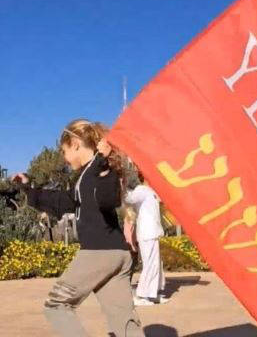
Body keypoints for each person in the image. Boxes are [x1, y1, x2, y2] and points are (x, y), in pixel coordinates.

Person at [11, 119, 143, 337]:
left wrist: (102, 163)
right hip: (117, 253)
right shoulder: (85, 177)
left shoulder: (98, 170)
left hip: (99, 252)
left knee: (56, 305)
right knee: (124, 320)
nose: (63, 158)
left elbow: (108, 198)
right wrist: (28, 188)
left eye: (64, 151)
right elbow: (62, 201)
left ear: (75, 144)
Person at [125, 170, 167, 306]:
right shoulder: (142, 190)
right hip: (146, 232)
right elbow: (129, 198)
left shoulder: (151, 191)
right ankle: (141, 295)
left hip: (153, 232)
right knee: (149, 264)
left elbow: (164, 198)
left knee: (156, 264)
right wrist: (120, 184)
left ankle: (152, 293)